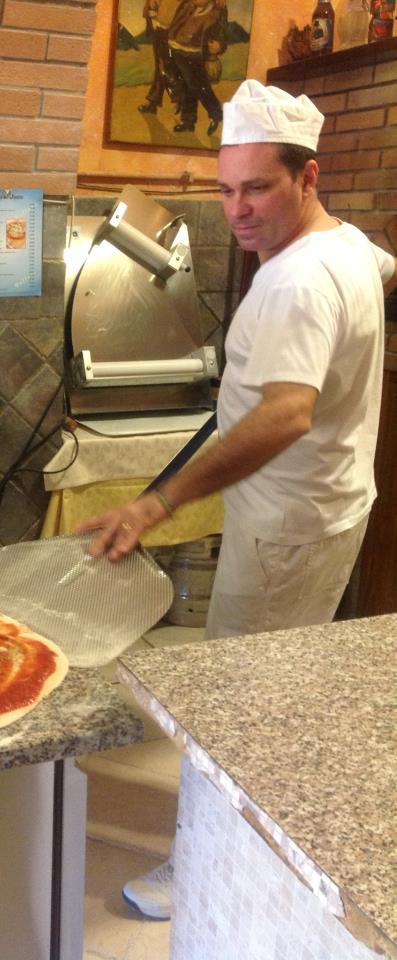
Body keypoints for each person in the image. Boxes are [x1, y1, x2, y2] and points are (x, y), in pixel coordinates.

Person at [78, 79, 397, 920]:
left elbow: (287, 413)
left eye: (257, 187)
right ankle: (261, 833)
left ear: (307, 176)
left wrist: (153, 505)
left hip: (287, 527)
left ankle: (204, 871)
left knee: (237, 709)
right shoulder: (349, 250)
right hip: (328, 509)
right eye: (225, 189)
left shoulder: (296, 283)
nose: (237, 209)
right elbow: (382, 272)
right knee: (275, 691)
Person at [167, 0, 227, 136]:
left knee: (198, 85)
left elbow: (222, 32)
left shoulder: (217, 11)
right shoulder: (187, 6)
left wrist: (219, 45)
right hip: (176, 49)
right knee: (186, 87)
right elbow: (175, 23)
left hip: (195, 53)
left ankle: (216, 113)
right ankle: (188, 122)